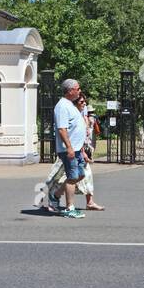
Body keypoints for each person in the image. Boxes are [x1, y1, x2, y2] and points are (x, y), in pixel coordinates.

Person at [52, 79, 87, 218]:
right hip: (69, 150)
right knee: (72, 177)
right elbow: (62, 129)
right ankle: (69, 208)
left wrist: (80, 148)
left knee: (80, 175)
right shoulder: (62, 106)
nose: (79, 91)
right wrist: (69, 148)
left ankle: (55, 195)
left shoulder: (69, 104)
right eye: (78, 89)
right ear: (70, 90)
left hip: (77, 149)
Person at [75, 93, 105, 211]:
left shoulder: (83, 116)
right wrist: (82, 152)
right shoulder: (74, 117)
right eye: (81, 102)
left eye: (85, 102)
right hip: (72, 152)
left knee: (87, 175)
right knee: (60, 179)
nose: (84, 104)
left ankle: (90, 202)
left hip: (81, 150)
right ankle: (53, 198)